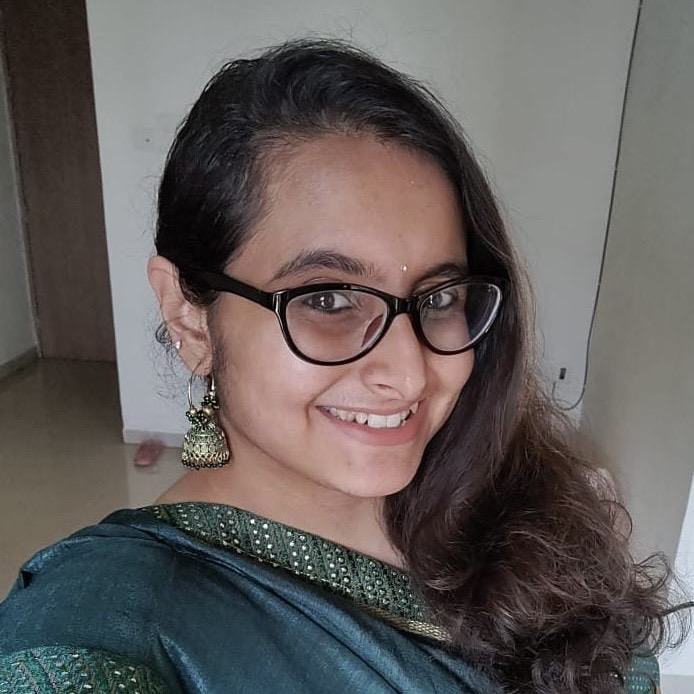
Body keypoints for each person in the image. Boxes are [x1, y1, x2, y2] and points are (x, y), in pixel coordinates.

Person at [0, 39, 680, 694]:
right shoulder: (103, 634)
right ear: (188, 314)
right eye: (327, 299)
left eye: (441, 296)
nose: (411, 374)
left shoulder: (510, 497)